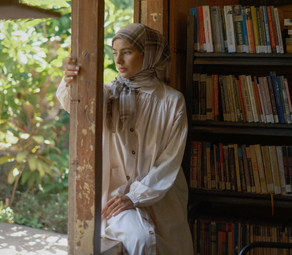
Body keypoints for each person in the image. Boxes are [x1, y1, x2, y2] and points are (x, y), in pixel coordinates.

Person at [56, 23, 193, 255]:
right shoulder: (107, 93)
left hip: (161, 197)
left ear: (149, 55)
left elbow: (170, 159)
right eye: (114, 53)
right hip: (115, 198)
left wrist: (137, 196)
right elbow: (76, 105)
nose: (118, 60)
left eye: (127, 52)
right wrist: (71, 79)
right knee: (140, 239)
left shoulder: (171, 101)